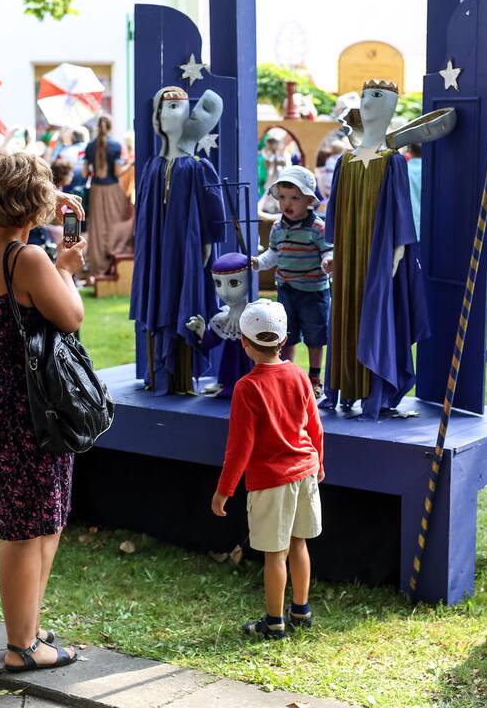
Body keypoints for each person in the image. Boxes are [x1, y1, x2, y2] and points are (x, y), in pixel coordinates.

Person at [0, 152, 85, 671]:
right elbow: (70, 317)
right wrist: (66, 268)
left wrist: (44, 203)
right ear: (36, 205)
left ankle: (27, 628)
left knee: (30, 522)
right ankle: (22, 647)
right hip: (28, 408)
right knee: (29, 529)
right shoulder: (28, 260)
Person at [211, 298, 325, 640]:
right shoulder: (300, 375)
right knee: (299, 544)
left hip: (272, 481)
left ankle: (274, 622)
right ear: (285, 338)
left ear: (245, 344)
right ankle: (301, 611)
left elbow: (240, 447)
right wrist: (319, 462)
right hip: (305, 471)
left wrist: (224, 491)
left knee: (275, 555)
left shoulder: (247, 388)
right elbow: (315, 426)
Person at [252, 166, 333, 398]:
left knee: (315, 336)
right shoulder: (278, 227)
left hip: (313, 292)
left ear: (309, 200)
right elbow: (273, 254)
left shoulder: (318, 228)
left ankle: (315, 377)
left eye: (295, 198)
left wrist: (328, 262)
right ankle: (285, 376)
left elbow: (328, 251)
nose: (287, 203)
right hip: (286, 290)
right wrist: (259, 262)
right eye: (283, 197)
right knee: (285, 334)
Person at [83, 115, 133, 277]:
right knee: (116, 224)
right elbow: (118, 173)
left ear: (97, 127)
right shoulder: (115, 146)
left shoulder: (90, 146)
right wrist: (131, 164)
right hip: (112, 190)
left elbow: (85, 173)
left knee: (97, 229)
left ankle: (98, 268)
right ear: (110, 127)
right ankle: (114, 257)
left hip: (96, 190)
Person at [406, 143, 423, 240]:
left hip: (408, 227)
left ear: (410, 152)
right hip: (425, 224)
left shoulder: (404, 169)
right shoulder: (428, 171)